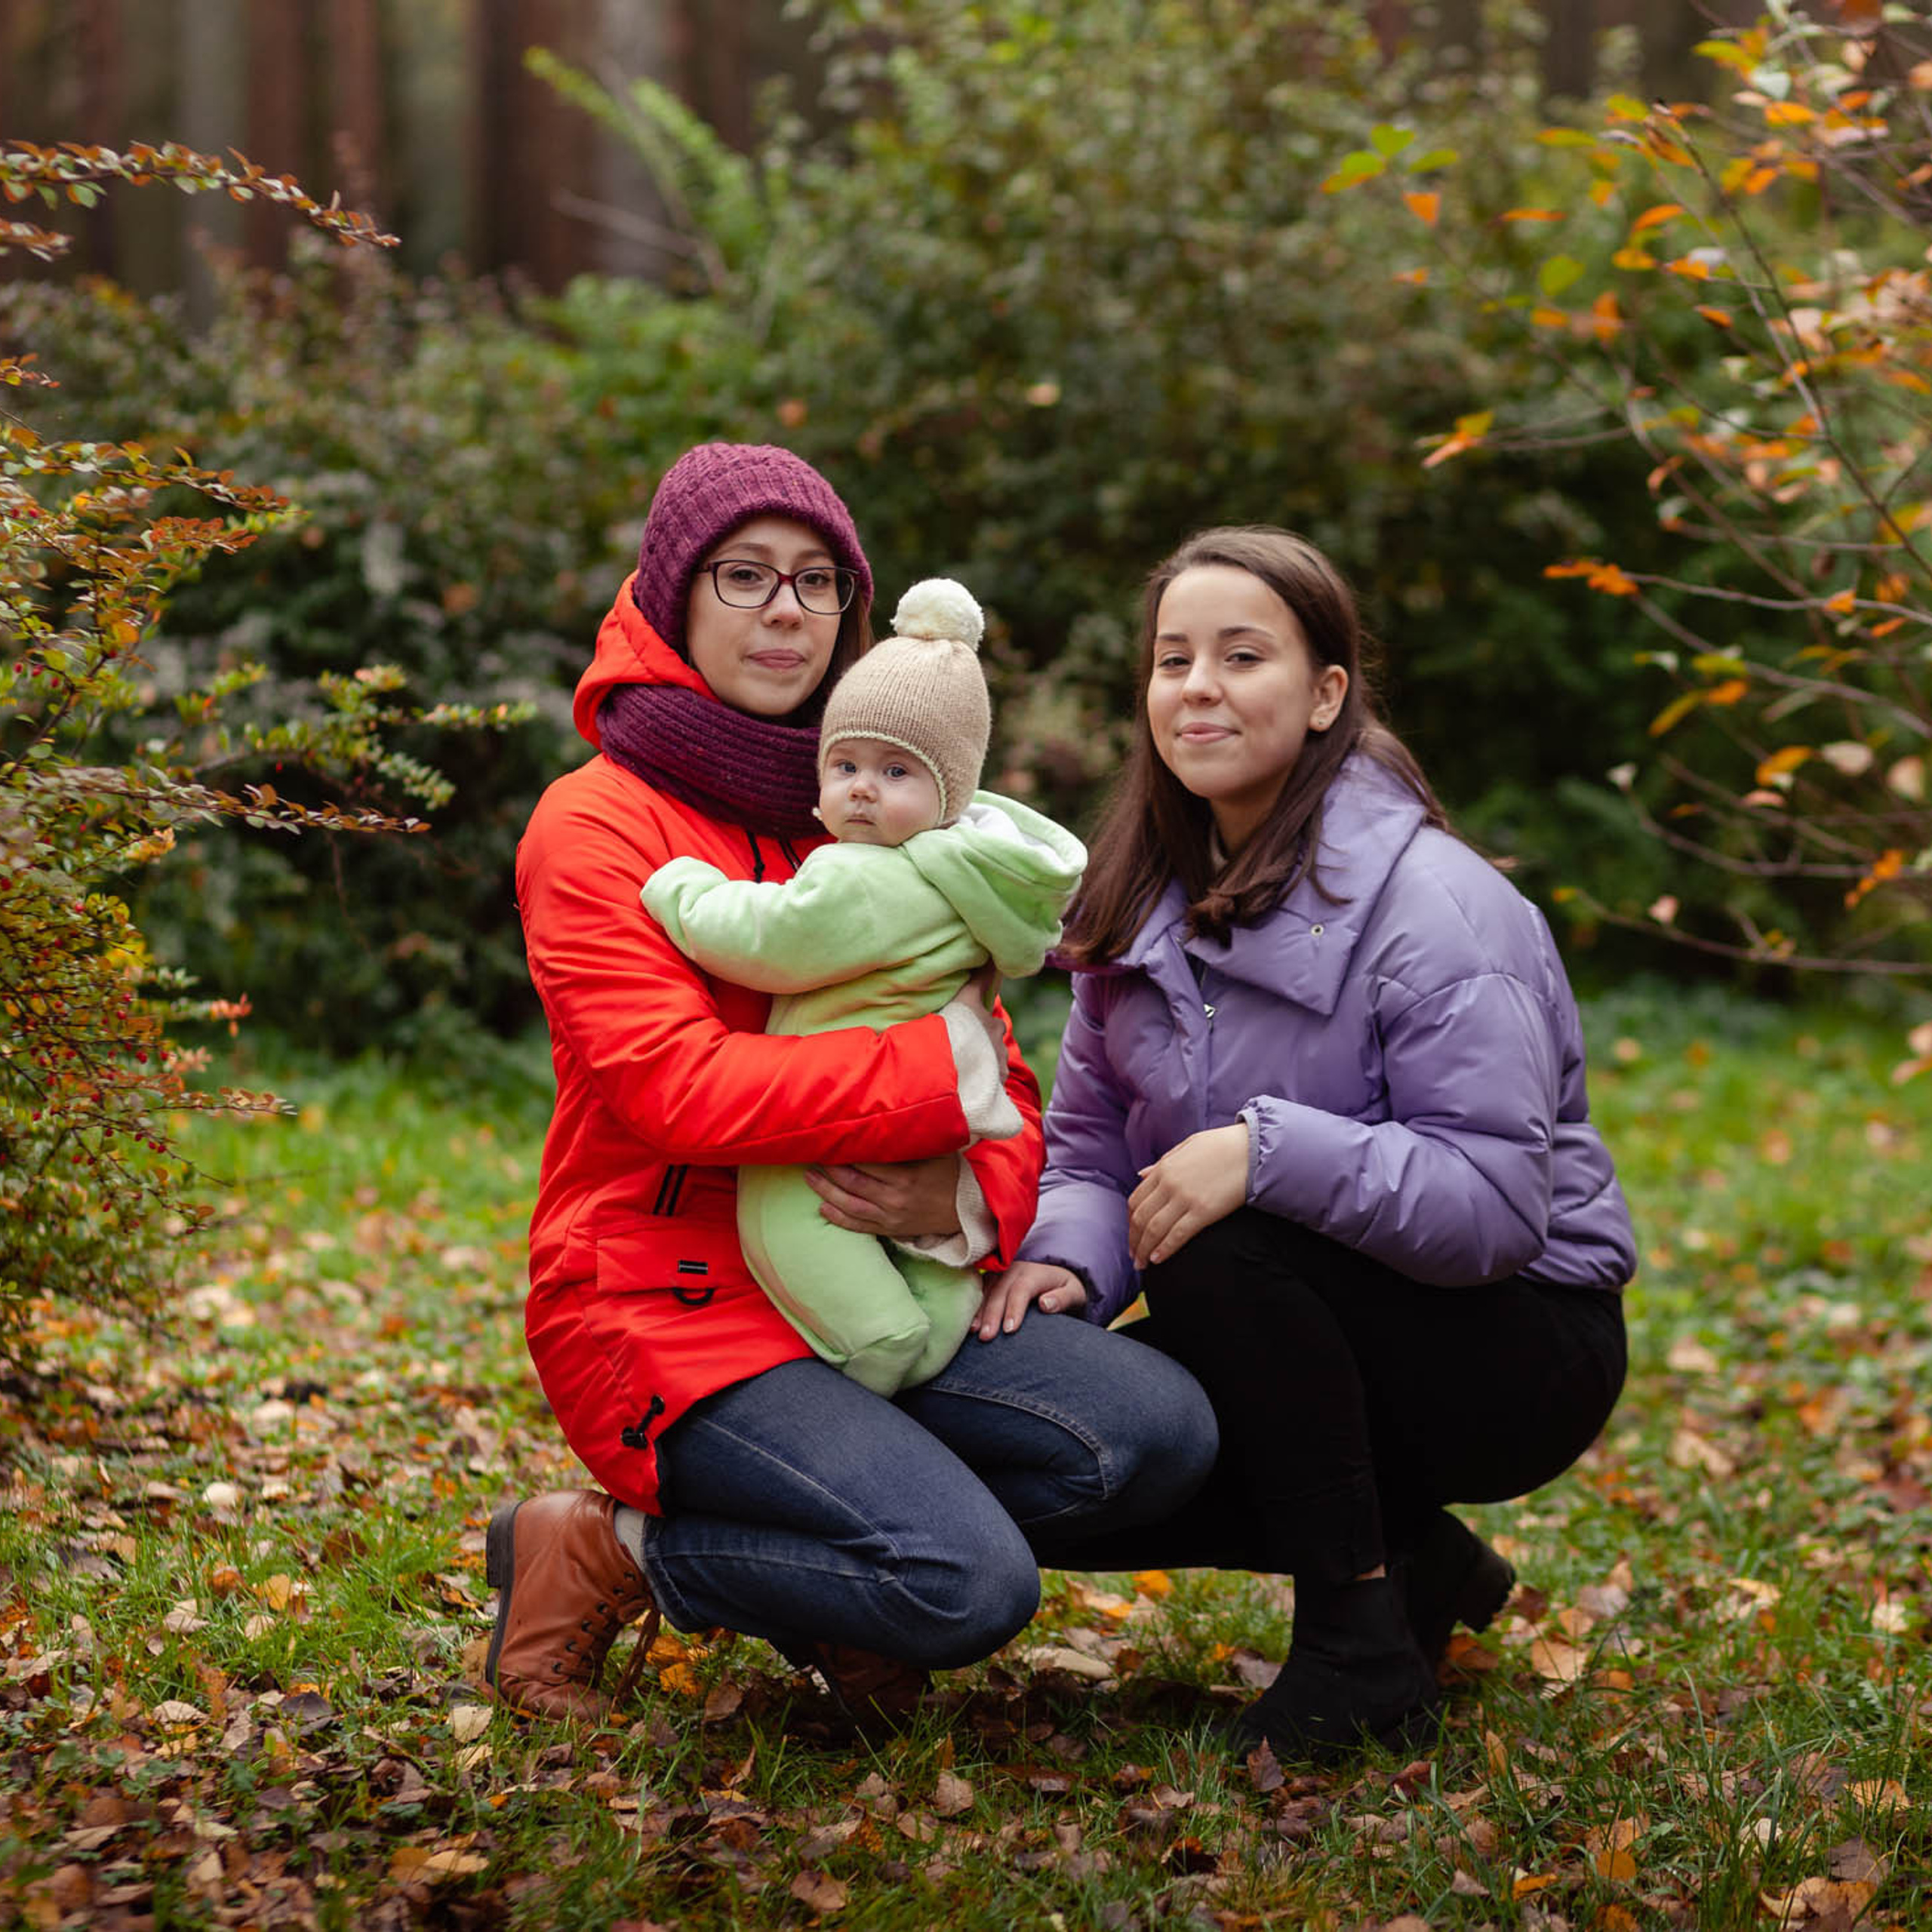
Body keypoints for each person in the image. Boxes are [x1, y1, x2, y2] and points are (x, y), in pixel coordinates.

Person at [485, 444, 1217, 1726]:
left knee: (1154, 1434)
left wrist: (959, 1200)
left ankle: (840, 1552)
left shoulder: (883, 799)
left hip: (880, 1270)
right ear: (671, 593)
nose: (785, 608)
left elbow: (1014, 1093)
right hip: (668, 1296)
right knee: (965, 1589)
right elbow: (677, 1090)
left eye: (818, 582)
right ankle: (607, 1551)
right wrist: (935, 1078)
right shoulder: (596, 824)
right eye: (746, 575)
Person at [982, 526, 1635, 1761]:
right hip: (1308, 1319)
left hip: (1519, 1347)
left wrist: (1265, 1151)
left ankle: (1358, 1652)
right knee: (1086, 1459)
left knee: (1220, 1249)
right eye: (1173, 660)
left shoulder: (1438, 909)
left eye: (1243, 656)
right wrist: (1070, 1265)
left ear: (1328, 692)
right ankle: (1419, 1564)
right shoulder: (1136, 909)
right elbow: (1089, 1147)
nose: (1199, 688)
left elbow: (1500, 1204)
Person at [641, 577, 1086, 1398]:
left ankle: (876, 1369)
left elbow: (769, 938)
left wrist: (680, 889)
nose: (861, 789)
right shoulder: (971, 879)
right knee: (933, 1301)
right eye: (843, 764)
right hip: (923, 1135)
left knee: (803, 1240)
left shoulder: (868, 877)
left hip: (810, 1147)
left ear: (949, 795)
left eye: (894, 771)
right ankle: (921, 1344)